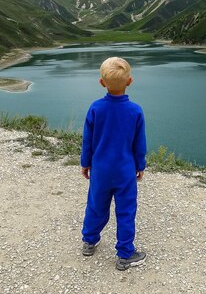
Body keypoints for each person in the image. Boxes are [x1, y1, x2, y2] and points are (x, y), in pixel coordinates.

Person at [80, 56, 147, 271]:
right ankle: (125, 254)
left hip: (100, 169)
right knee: (126, 211)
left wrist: (85, 163)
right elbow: (140, 143)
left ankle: (89, 241)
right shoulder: (135, 111)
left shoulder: (95, 108)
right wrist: (140, 165)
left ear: (102, 83)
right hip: (125, 170)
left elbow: (87, 140)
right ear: (130, 81)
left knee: (96, 205)